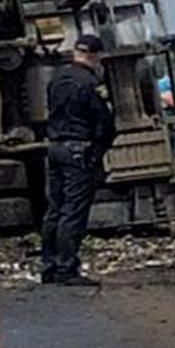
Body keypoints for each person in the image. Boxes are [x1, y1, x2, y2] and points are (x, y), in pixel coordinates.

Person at [39, 34, 115, 287]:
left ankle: (48, 266)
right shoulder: (90, 83)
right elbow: (103, 122)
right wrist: (98, 151)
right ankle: (66, 268)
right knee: (73, 210)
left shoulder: (57, 79)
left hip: (55, 147)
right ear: (95, 56)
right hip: (78, 149)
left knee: (55, 208)